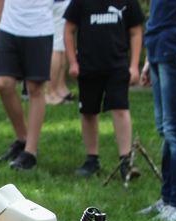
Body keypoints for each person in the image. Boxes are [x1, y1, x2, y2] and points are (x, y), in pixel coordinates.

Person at [64, 0, 144, 177]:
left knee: (120, 109)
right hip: (88, 66)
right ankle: (92, 159)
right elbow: (69, 29)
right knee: (88, 112)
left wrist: (134, 66)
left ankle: (125, 161)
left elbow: (136, 32)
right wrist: (73, 62)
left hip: (117, 66)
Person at [138, 0, 176, 221]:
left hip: (175, 50)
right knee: (166, 129)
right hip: (157, 50)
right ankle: (168, 200)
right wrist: (148, 59)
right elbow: (158, 15)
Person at [0, 0, 54, 170]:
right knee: (3, 83)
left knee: (35, 89)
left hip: (39, 28)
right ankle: (22, 138)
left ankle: (30, 152)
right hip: (9, 26)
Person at [46, 0, 73, 105]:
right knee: (60, 46)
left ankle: (52, 91)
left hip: (54, 4)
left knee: (57, 47)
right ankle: (58, 88)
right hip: (61, 4)